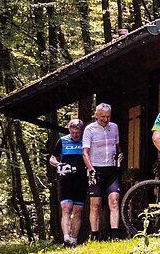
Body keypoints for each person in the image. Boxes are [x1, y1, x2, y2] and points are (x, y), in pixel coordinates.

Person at [83, 102, 122, 240]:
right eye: (102, 117)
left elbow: (117, 147)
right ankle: (94, 235)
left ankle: (114, 235)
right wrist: (91, 169)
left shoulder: (114, 127)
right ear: (96, 115)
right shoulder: (89, 130)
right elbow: (85, 153)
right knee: (96, 204)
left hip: (111, 169)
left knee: (114, 201)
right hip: (96, 169)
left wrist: (120, 155)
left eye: (108, 116)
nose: (105, 119)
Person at [48, 119, 87, 246]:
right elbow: (52, 158)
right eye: (73, 132)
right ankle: (66, 238)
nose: (76, 135)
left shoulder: (85, 141)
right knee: (66, 208)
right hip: (65, 179)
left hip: (81, 180)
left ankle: (74, 240)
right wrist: (58, 164)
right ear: (69, 130)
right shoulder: (63, 140)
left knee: (78, 210)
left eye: (78, 133)